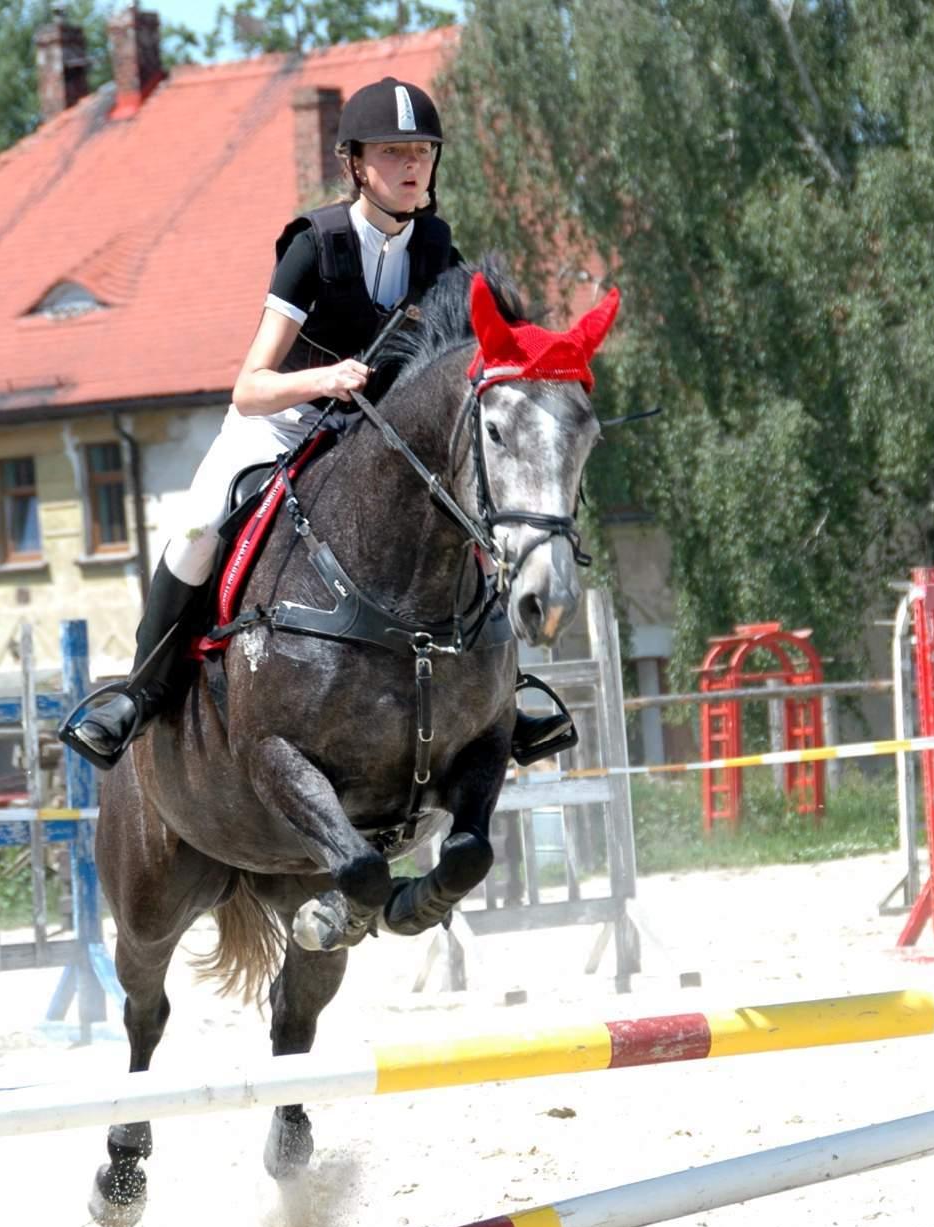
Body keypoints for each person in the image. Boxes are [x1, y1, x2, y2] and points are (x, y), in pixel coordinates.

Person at [61, 77, 571, 770]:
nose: (411, 165)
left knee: (472, 523)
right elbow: (250, 387)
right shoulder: (315, 246)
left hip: (377, 440)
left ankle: (503, 698)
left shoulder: (439, 252)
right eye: (392, 152)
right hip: (285, 422)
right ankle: (139, 694)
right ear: (355, 163)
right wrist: (325, 380)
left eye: (422, 151)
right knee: (198, 529)